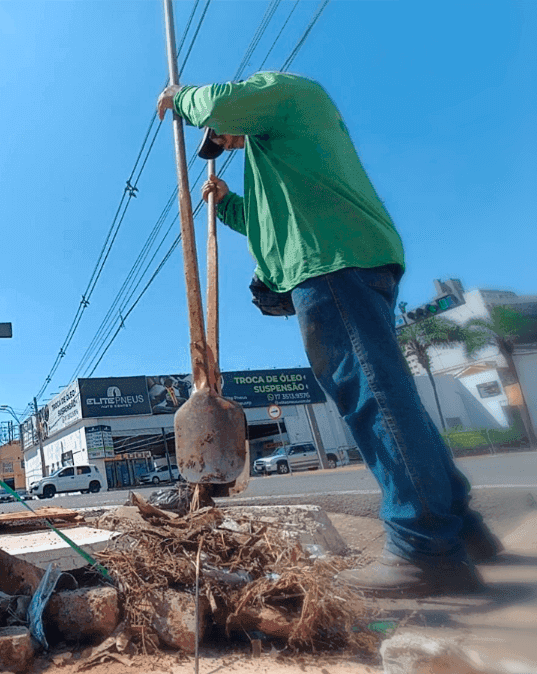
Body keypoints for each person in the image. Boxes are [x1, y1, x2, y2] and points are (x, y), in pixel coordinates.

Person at [157, 73, 502, 598]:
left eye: (221, 135)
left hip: (332, 263)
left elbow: (222, 103)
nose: (223, 140)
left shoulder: (284, 94)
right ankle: (460, 526)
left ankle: (427, 549)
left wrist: (180, 99)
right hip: (340, 260)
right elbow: (268, 223)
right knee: (388, 393)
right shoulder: (280, 155)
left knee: (373, 397)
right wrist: (227, 203)